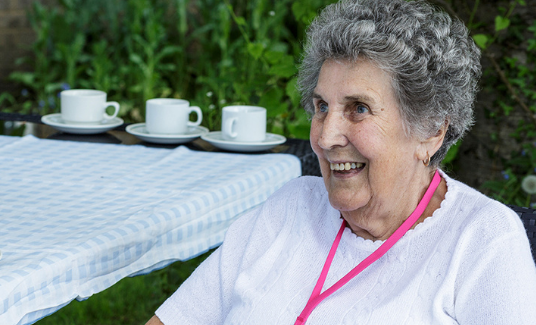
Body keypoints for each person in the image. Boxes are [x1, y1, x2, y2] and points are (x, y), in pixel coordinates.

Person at [146, 0, 536, 324]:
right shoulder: (289, 207)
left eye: (359, 108)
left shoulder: (483, 241)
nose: (325, 136)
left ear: (430, 131)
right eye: (321, 107)